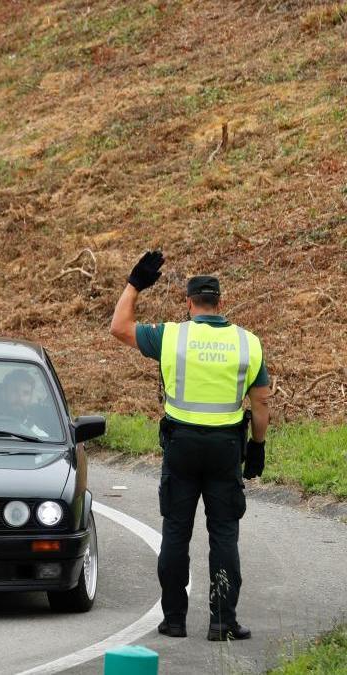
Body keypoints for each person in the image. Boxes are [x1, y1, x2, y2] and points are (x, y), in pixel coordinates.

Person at [110, 251, 270, 642]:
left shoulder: (172, 336)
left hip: (181, 446)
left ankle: (175, 619)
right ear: (221, 302)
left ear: (189, 303)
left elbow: (119, 327)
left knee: (176, 533)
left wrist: (134, 284)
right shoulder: (247, 343)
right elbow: (261, 402)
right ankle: (222, 621)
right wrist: (258, 446)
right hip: (225, 450)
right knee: (224, 535)